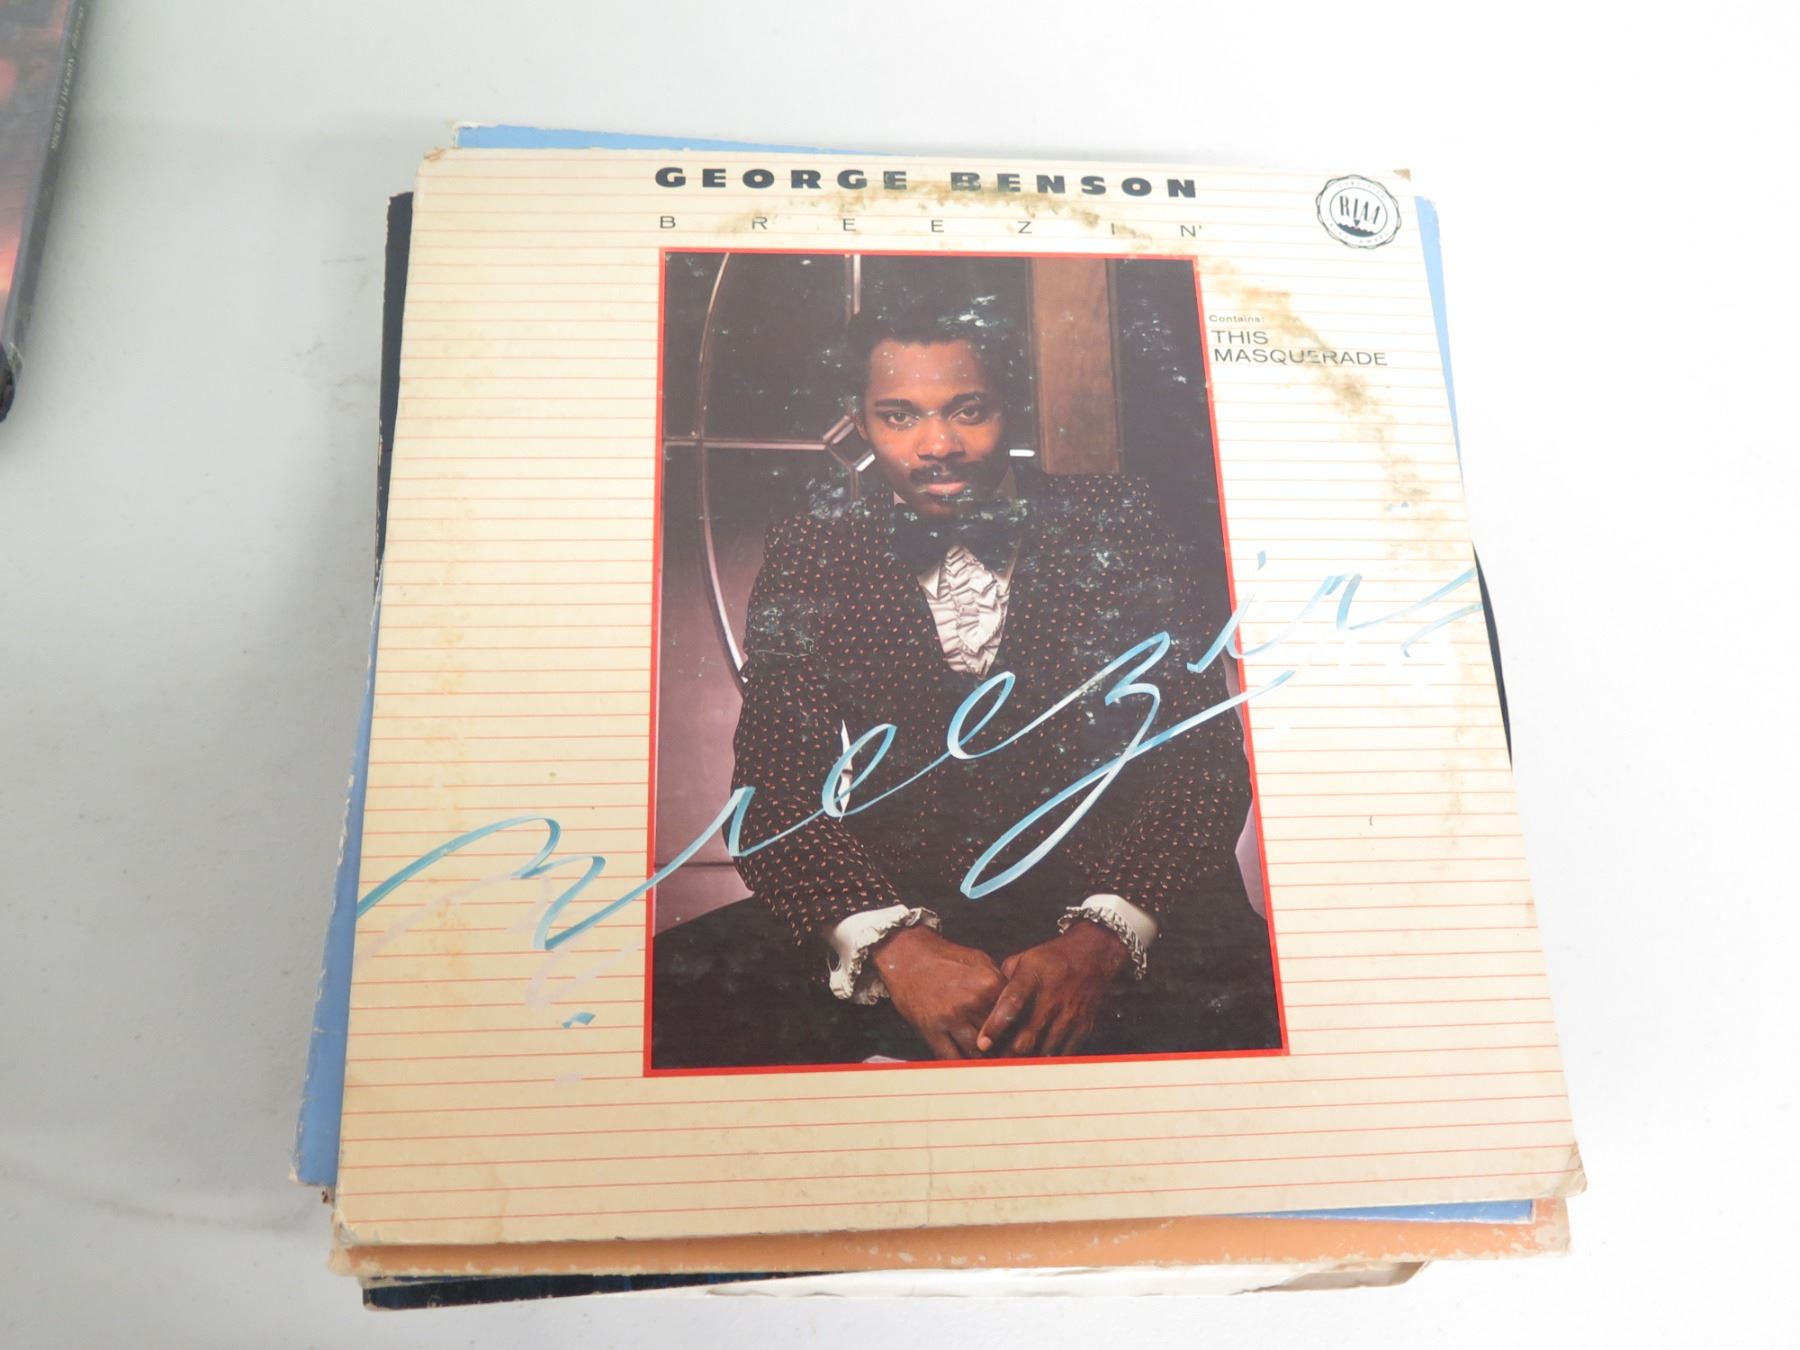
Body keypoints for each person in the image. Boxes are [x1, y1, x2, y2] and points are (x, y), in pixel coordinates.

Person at [649, 288, 1279, 1069]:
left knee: (1255, 1021)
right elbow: (771, 794)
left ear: (1011, 408)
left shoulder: (1121, 519)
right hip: (906, 910)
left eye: (968, 410)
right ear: (859, 422)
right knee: (668, 997)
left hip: (1120, 905)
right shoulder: (812, 551)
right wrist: (892, 945)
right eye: (899, 415)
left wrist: (1103, 939)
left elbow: (1203, 763)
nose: (937, 444)